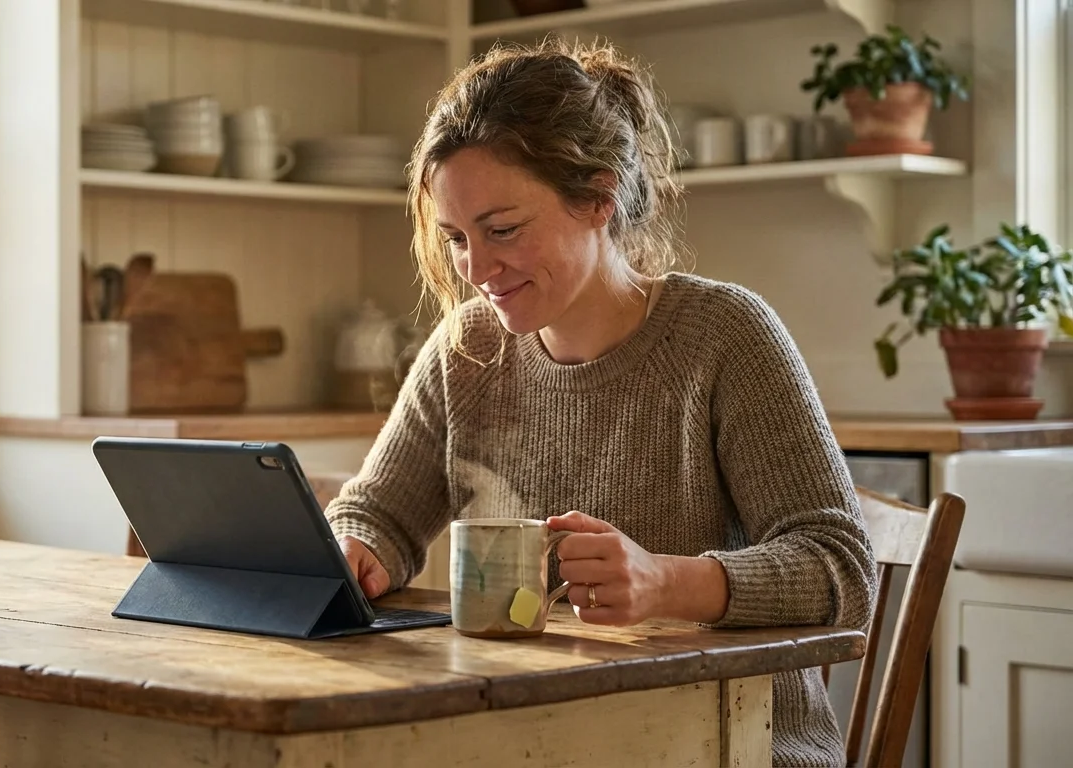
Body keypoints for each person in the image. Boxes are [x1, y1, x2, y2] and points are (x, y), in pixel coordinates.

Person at [323, 37, 878, 767]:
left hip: (731, 746)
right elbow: (378, 513)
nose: (475, 268)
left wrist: (665, 581)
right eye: (457, 238)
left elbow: (840, 568)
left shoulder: (725, 337)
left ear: (598, 197)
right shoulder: (469, 352)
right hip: (533, 741)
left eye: (503, 230)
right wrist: (355, 548)